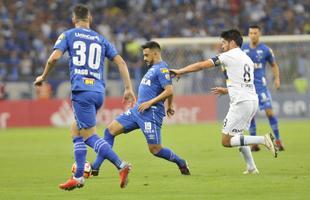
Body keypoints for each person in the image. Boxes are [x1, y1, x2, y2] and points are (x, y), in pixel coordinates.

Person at [34, 4, 136, 190]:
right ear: (90, 19)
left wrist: (43, 77)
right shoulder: (101, 39)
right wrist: (128, 88)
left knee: (89, 136)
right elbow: (121, 62)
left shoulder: (69, 34)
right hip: (98, 91)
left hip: (82, 91)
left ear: (74, 19)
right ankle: (78, 176)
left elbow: (54, 58)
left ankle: (121, 165)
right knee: (76, 129)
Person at [170, 29, 278, 174]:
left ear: (232, 42)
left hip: (241, 102)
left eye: (223, 43)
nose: (222, 46)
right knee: (238, 135)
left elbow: (202, 65)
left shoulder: (229, 55)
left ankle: (263, 140)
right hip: (251, 100)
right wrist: (227, 90)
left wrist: (180, 71)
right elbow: (244, 83)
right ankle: (251, 167)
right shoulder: (247, 59)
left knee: (226, 141)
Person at [91, 41, 190, 176]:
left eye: (146, 55)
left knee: (155, 149)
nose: (144, 58)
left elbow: (169, 90)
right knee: (110, 131)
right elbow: (168, 90)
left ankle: (181, 162)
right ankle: (95, 167)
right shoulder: (152, 69)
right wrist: (170, 104)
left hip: (151, 113)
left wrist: (151, 103)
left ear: (155, 53)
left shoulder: (162, 69)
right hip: (137, 111)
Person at [241, 25, 284, 151]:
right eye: (250, 33)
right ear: (248, 34)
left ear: (259, 34)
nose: (253, 35)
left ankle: (278, 140)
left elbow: (274, 65)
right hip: (248, 88)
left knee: (269, 112)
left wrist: (277, 79)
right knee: (250, 115)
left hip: (261, 88)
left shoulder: (265, 50)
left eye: (255, 33)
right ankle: (254, 143)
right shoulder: (243, 49)